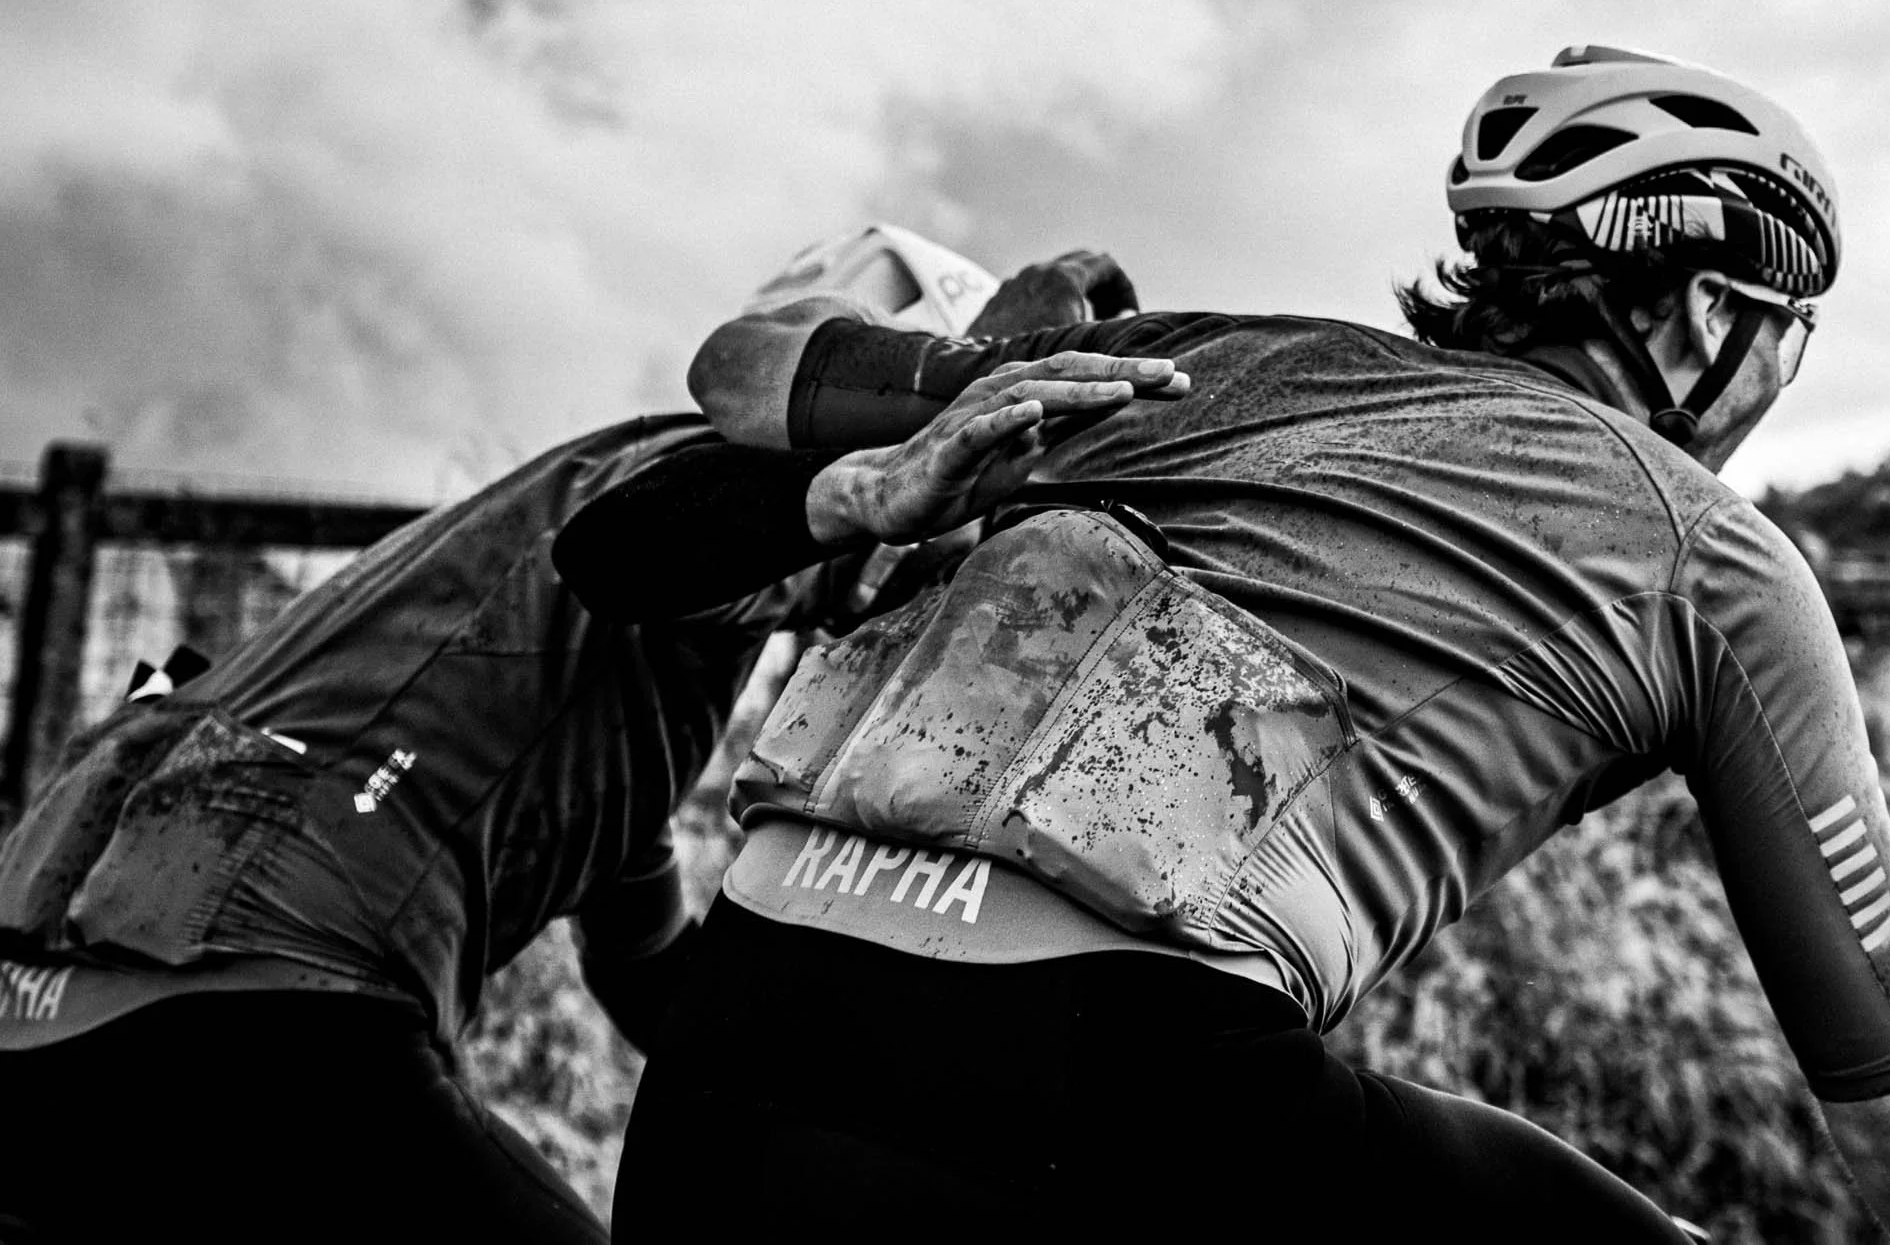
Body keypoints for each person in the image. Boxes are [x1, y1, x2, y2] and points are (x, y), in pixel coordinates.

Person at [576, 48, 1890, 1244]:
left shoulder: (1188, 356)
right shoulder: (1703, 551)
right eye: (1789, 328)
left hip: (719, 1076)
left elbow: (735, 366)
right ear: (1707, 312)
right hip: (1098, 1109)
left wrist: (884, 461)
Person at [0, 225, 1135, 1245]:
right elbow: (629, 547)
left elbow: (651, 976)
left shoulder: (594, 684)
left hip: (40, 1023)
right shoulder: (669, 480)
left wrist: (915, 1101)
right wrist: (858, 498)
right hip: (254, 1006)